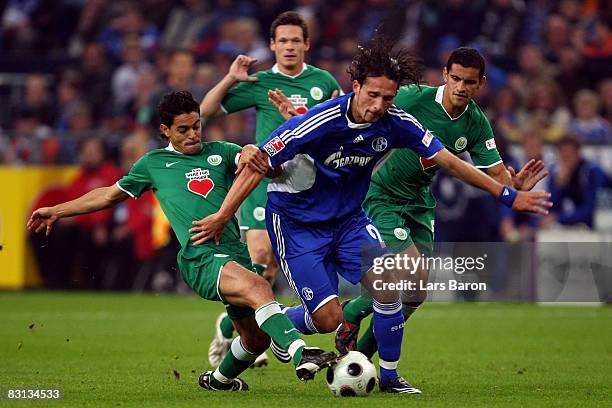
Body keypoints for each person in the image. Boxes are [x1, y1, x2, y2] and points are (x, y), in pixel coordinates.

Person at [190, 38, 552, 394]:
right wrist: (223, 215)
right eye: (373, 96)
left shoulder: (397, 121)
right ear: (356, 86)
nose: (380, 106)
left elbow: (450, 162)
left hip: (349, 221)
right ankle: (259, 332)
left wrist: (507, 194)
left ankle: (390, 377)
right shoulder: (320, 122)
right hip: (298, 225)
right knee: (326, 319)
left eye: (389, 98)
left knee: (392, 284)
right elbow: (258, 164)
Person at [27, 91, 337, 392]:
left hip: (234, 254)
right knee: (260, 287)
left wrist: (252, 155)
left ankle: (218, 381)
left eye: (197, 126)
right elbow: (108, 195)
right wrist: (57, 210)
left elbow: (271, 170)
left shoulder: (222, 152)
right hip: (200, 257)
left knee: (256, 340)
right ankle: (301, 353)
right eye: (183, 129)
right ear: (165, 130)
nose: (193, 135)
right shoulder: (153, 164)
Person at [270, 47, 549, 359]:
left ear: (480, 84)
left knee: (416, 293)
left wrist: (513, 187)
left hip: (419, 203)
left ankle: (357, 360)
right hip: (381, 195)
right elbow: (350, 112)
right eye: (455, 78)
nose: (460, 87)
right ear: (445, 75)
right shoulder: (410, 98)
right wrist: (300, 120)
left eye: (469, 82)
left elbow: (497, 174)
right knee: (406, 272)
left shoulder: (476, 123)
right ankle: (347, 316)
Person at [200, 11, 342, 367]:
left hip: (305, 186)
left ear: (306, 44)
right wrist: (230, 79)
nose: (290, 47)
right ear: (272, 45)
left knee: (273, 267)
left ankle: (240, 330)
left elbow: (337, 128)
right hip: (265, 180)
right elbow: (207, 110)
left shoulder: (324, 82)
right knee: (259, 257)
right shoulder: (262, 82)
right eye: (283, 41)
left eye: (296, 40)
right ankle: (249, 333)